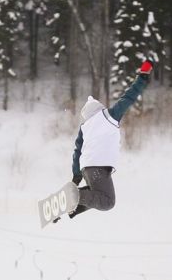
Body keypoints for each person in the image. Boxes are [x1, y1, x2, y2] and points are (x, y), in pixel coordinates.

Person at [56, 58, 153, 222]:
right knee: (107, 202)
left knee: (97, 195)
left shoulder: (85, 127)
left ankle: (73, 206)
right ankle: (73, 197)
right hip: (98, 168)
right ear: (99, 109)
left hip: (87, 169)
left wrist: (76, 176)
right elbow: (128, 98)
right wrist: (142, 78)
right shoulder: (109, 116)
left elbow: (77, 151)